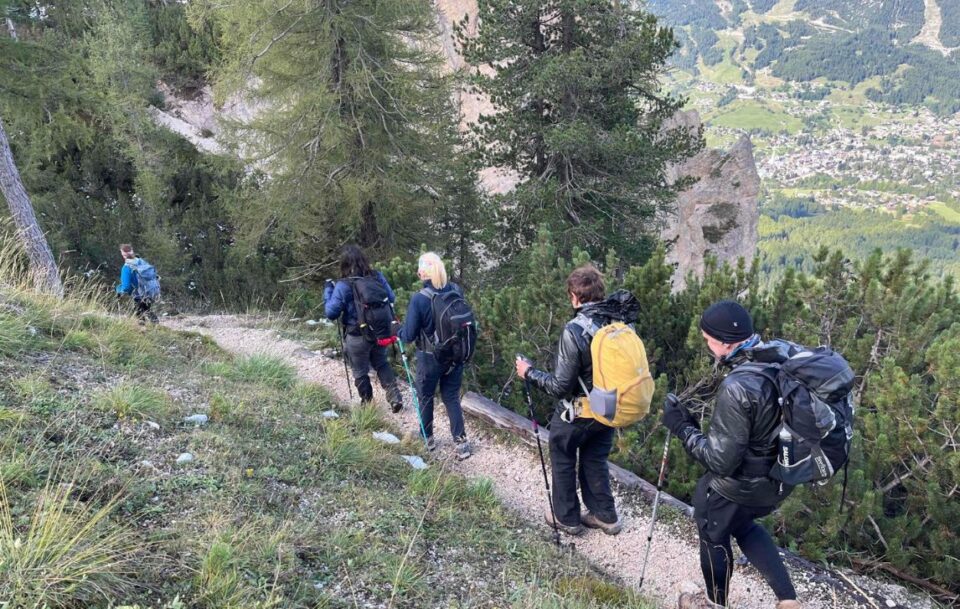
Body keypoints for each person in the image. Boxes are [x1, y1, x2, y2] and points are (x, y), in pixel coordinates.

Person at [662, 300, 801, 609]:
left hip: (740, 485)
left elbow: (720, 461)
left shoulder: (739, 386)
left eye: (708, 340)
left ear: (725, 342)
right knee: (743, 524)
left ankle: (714, 604)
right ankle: (789, 600)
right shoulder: (781, 356)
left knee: (713, 531)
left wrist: (682, 427)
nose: (707, 345)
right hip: (781, 476)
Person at [515, 264, 624, 536]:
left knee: (563, 456)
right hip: (609, 409)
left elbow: (561, 386)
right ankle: (605, 516)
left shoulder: (575, 331)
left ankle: (567, 518)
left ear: (575, 297)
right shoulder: (618, 322)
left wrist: (529, 373)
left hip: (578, 412)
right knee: (595, 458)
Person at [397, 252, 471, 460]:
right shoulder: (456, 290)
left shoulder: (419, 299)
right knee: (451, 397)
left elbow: (409, 334)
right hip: (455, 356)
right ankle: (461, 441)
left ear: (424, 272)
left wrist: (397, 331)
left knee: (426, 396)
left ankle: (427, 438)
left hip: (430, 357)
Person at [324, 244, 403, 412]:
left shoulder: (343, 285)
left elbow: (331, 313)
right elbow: (391, 297)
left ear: (344, 264)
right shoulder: (377, 277)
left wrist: (328, 291)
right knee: (381, 363)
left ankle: (367, 404)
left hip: (356, 335)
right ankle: (394, 396)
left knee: (360, 370)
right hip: (379, 332)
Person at [116, 244, 159, 324]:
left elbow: (126, 287)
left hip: (139, 295)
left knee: (139, 314)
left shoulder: (126, 268)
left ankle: (147, 329)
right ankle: (154, 327)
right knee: (146, 310)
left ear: (123, 255)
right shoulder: (141, 261)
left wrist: (119, 290)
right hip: (150, 291)